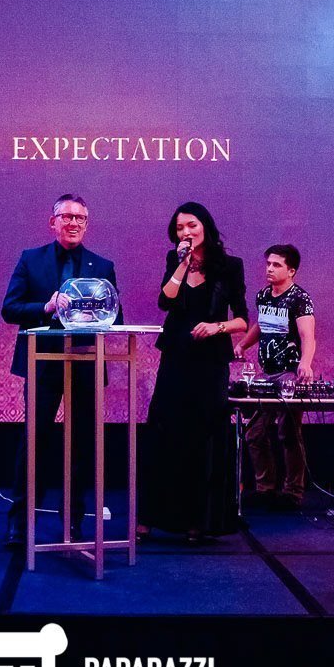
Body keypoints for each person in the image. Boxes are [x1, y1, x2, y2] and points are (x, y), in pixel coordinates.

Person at [1, 194, 119, 547]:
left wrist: (90, 315)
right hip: (42, 362)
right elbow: (10, 308)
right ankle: (20, 523)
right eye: (66, 217)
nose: (73, 223)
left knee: (81, 444)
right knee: (34, 441)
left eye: (79, 218)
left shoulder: (103, 267)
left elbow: (117, 317)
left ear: (87, 224)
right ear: (52, 222)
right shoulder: (30, 259)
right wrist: (46, 307)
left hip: (85, 362)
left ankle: (73, 523)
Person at [138, 202, 248, 543]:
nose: (186, 232)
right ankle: (152, 517)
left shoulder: (230, 266)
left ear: (205, 227)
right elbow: (165, 301)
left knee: (204, 437)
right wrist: (182, 264)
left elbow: (243, 319)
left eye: (192, 225)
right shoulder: (175, 260)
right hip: (177, 355)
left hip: (211, 361)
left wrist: (217, 327)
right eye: (179, 228)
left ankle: (198, 520)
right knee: (165, 431)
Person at [233, 244, 315, 509]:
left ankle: (293, 492)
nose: (270, 268)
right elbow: (261, 324)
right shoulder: (264, 295)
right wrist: (243, 344)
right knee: (254, 433)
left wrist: (305, 363)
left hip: (289, 374)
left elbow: (307, 335)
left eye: (277, 265)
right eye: (268, 263)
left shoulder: (299, 298)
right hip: (266, 374)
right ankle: (265, 488)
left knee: (289, 432)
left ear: (291, 271)